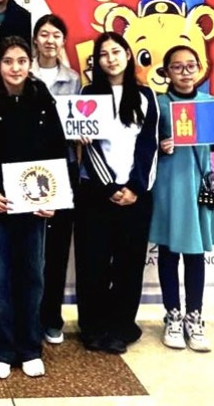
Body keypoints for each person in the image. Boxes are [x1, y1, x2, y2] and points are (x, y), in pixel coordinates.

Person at [0, 36, 66, 379]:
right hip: (0, 207)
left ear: (30, 64)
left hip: (35, 207)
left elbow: (57, 151)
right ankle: (2, 348)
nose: (15, 67)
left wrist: (53, 197)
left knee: (33, 277)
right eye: (8, 61)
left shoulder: (43, 100)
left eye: (22, 61)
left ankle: (29, 347)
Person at [150, 45, 214, 352]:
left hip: (198, 185)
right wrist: (160, 146)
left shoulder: (210, 103)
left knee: (195, 254)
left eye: (191, 66)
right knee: (168, 252)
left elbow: (211, 143)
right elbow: (145, 145)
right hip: (169, 186)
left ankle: (194, 316)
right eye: (177, 67)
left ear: (200, 68)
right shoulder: (159, 104)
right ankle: (172, 316)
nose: (185, 72)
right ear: (166, 72)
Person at [76, 32, 159, 355]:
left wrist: (135, 187)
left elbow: (149, 145)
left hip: (136, 196)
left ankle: (121, 326)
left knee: (129, 265)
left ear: (128, 54)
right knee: (93, 263)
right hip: (96, 194)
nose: (110, 59)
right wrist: (109, 187)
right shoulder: (88, 94)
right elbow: (90, 146)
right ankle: (93, 327)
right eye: (103, 54)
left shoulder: (146, 95)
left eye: (116, 52)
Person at [31, 14, 81, 345]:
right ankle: (28, 314)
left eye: (56, 35)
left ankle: (51, 316)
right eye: (44, 34)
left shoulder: (74, 80)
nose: (50, 40)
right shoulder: (22, 74)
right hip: (26, 169)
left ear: (63, 41)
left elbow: (81, 120)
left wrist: (82, 135)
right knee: (28, 247)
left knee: (58, 247)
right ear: (35, 39)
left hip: (63, 168)